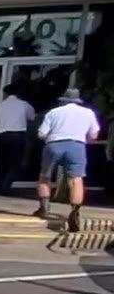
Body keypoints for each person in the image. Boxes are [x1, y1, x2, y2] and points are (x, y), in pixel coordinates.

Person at [35, 88, 102, 232]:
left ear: (63, 100)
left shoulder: (53, 112)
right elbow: (94, 135)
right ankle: (75, 212)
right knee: (76, 180)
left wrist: (50, 140)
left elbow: (41, 133)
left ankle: (44, 208)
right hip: (77, 146)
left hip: (54, 145)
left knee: (44, 177)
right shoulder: (88, 113)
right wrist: (85, 141)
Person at [0, 85, 35, 196]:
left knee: (0, 162)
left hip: (1, 135)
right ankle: (6, 186)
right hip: (17, 135)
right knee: (14, 162)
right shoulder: (24, 105)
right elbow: (32, 117)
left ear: (5, 94)